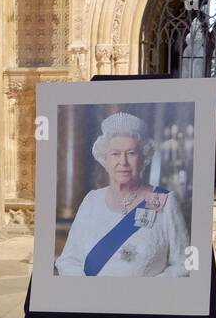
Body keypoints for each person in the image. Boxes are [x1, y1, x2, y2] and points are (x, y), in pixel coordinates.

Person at [55, 111, 190, 278]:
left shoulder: (166, 201)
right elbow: (68, 260)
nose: (123, 162)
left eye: (131, 153)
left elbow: (183, 265)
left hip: (145, 302)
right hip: (92, 301)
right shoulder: (91, 201)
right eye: (115, 154)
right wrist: (88, 291)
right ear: (105, 159)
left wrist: (147, 292)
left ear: (144, 158)